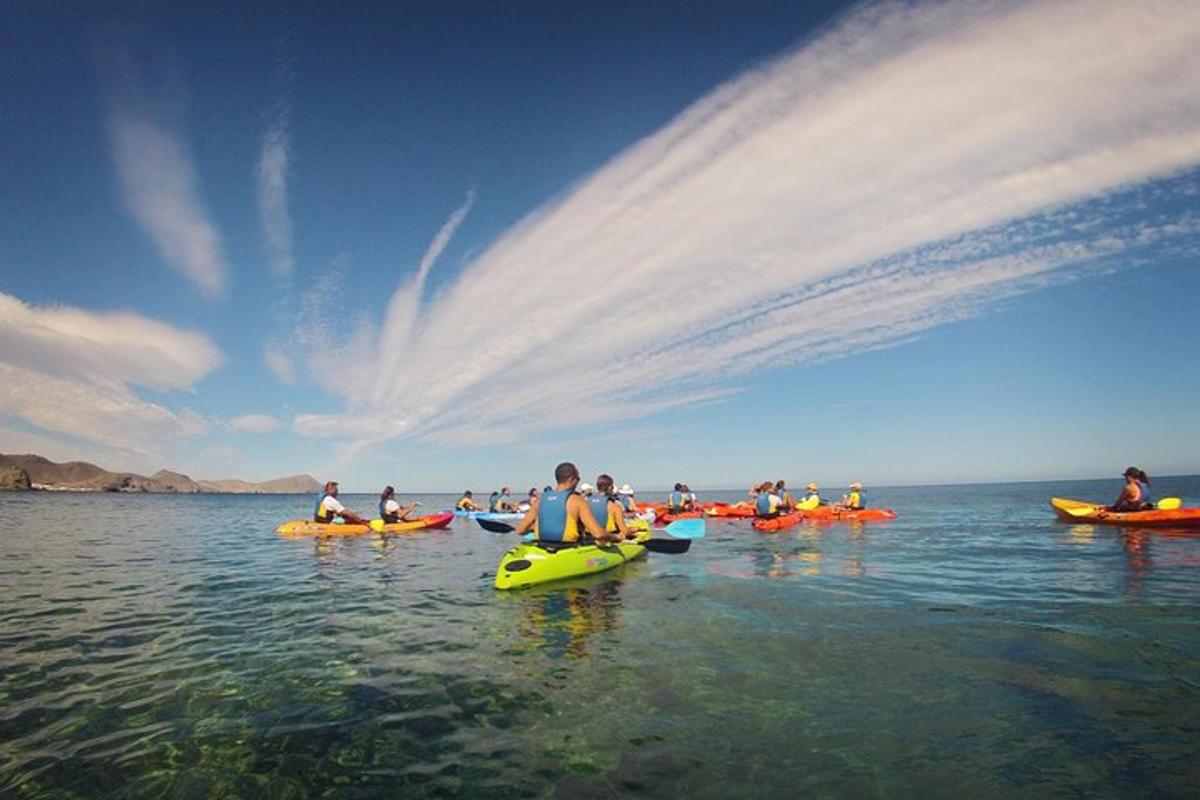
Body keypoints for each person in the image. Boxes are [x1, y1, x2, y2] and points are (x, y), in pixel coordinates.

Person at [514, 462, 616, 544]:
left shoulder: (540, 500)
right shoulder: (577, 500)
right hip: (567, 550)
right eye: (578, 479)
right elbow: (598, 534)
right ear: (571, 479)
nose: (578, 482)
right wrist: (614, 537)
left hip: (541, 547)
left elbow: (520, 530)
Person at [585, 474, 633, 539]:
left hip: (588, 538)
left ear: (597, 487)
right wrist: (633, 531)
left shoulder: (585, 503)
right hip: (607, 539)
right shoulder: (615, 506)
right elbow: (625, 531)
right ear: (610, 487)